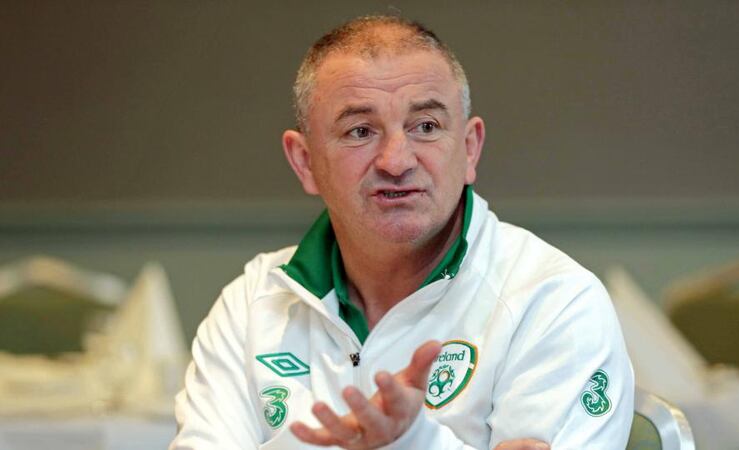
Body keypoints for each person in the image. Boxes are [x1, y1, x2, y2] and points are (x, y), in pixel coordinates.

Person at [170, 15, 634, 450]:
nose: (397, 160)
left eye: (426, 126)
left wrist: (415, 439)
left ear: (470, 150)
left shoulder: (554, 302)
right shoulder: (251, 304)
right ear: (305, 162)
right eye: (360, 131)